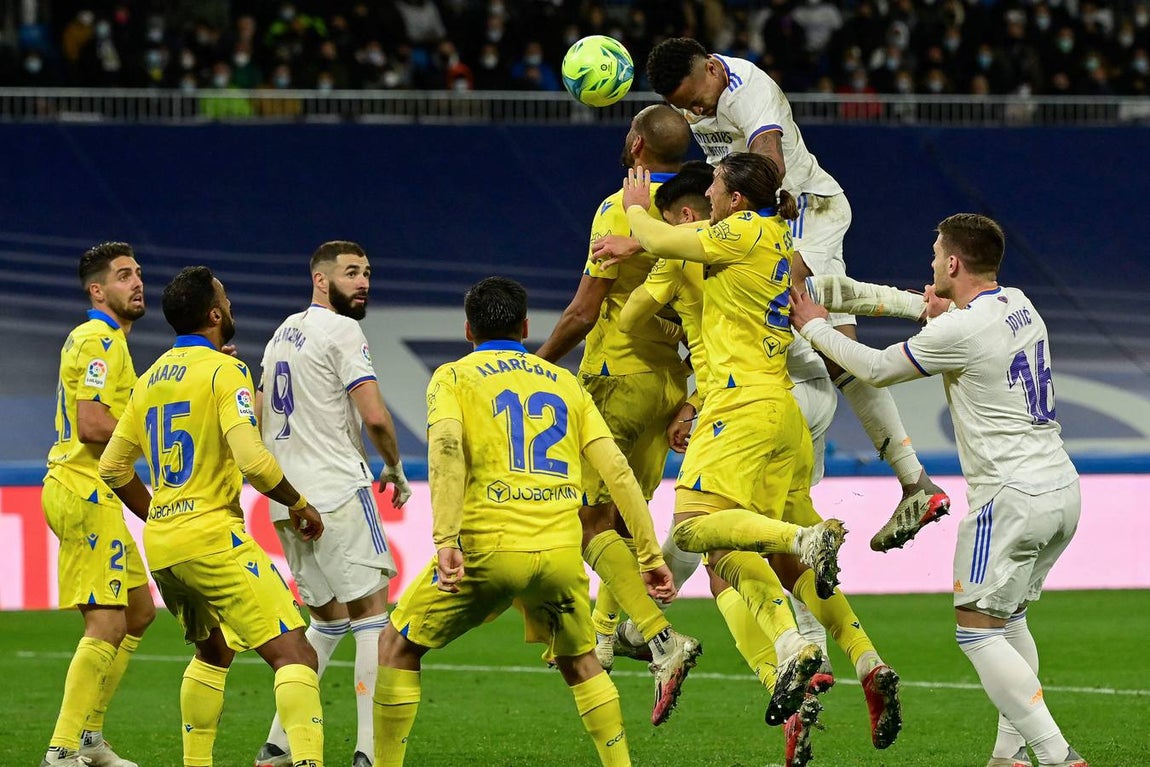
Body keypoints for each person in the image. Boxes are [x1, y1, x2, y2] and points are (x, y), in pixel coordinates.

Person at [614, 161, 902, 767]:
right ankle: (863, 657)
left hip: (736, 408)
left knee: (698, 531)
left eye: (716, 193)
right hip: (786, 414)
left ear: (721, 203)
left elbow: (629, 316)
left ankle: (789, 636)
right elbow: (835, 288)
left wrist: (637, 218)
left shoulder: (724, 235)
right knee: (764, 558)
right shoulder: (779, 238)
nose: (714, 200)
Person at [790, 214, 1089, 767]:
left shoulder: (959, 330)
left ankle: (1056, 755)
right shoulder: (1020, 303)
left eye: (936, 255)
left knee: (976, 632)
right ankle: (1007, 757)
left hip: (1009, 498)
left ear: (953, 263)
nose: (931, 264)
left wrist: (813, 326)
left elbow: (876, 369)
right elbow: (973, 333)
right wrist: (940, 312)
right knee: (1009, 619)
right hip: (1062, 488)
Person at [645, 37, 951, 553]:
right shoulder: (701, 101)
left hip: (802, 207)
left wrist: (750, 220)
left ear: (713, 68)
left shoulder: (745, 90)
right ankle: (913, 482)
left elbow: (766, 158)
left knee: (787, 297)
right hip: (793, 208)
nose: (695, 110)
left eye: (696, 97)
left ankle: (919, 312)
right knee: (834, 351)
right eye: (685, 105)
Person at [373, 277, 674, 767]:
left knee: (397, 645)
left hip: (489, 548)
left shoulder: (454, 377)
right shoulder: (564, 382)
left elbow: (446, 451)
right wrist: (649, 553)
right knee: (580, 661)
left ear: (468, 329)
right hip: (559, 552)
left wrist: (446, 536)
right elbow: (616, 470)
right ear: (527, 327)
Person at [98, 266, 328, 767]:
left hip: (163, 545)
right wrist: (298, 503)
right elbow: (253, 460)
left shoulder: (150, 377)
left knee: (214, 652)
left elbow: (112, 468)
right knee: (297, 656)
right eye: (225, 296)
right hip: (212, 538)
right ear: (215, 313)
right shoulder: (226, 372)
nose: (230, 303)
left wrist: (160, 514)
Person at [536, 103, 701, 725]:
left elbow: (584, 309)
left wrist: (539, 364)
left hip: (617, 378)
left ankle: (660, 638)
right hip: (669, 384)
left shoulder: (622, 208)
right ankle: (603, 637)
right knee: (626, 522)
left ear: (635, 143)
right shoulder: (702, 213)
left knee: (587, 520)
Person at [254, 241, 412, 767]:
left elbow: (261, 411)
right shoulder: (343, 330)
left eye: (367, 272)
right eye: (351, 273)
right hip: (338, 491)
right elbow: (374, 416)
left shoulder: (280, 335)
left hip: (288, 499)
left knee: (325, 623)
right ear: (321, 280)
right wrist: (392, 464)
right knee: (372, 617)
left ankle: (278, 744)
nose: (363, 281)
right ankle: (369, 751)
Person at [41, 242, 156, 767]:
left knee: (137, 611)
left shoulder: (114, 343)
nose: (137, 283)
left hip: (99, 493)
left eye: (137, 274)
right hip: (81, 491)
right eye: (123, 275)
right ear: (97, 290)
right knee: (107, 622)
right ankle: (62, 750)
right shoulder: (96, 338)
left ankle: (89, 738)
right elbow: (92, 425)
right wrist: (150, 437)